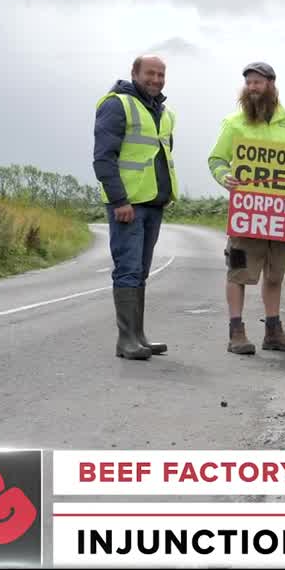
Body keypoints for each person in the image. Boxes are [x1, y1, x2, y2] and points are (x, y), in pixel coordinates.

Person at [208, 61, 285, 355]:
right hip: (246, 215)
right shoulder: (233, 123)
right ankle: (236, 331)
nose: (252, 87)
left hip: (280, 216)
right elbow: (217, 160)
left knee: (275, 275)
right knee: (238, 273)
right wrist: (226, 177)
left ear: (271, 85)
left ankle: (273, 332)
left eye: (258, 82)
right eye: (249, 82)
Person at [93, 54, 176, 360]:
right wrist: (119, 200)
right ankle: (125, 340)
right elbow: (103, 157)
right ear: (135, 74)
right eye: (150, 74)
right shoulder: (117, 104)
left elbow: (163, 156)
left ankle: (138, 336)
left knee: (140, 271)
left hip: (153, 203)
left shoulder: (164, 113)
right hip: (128, 205)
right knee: (127, 270)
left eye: (161, 75)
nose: (156, 79)